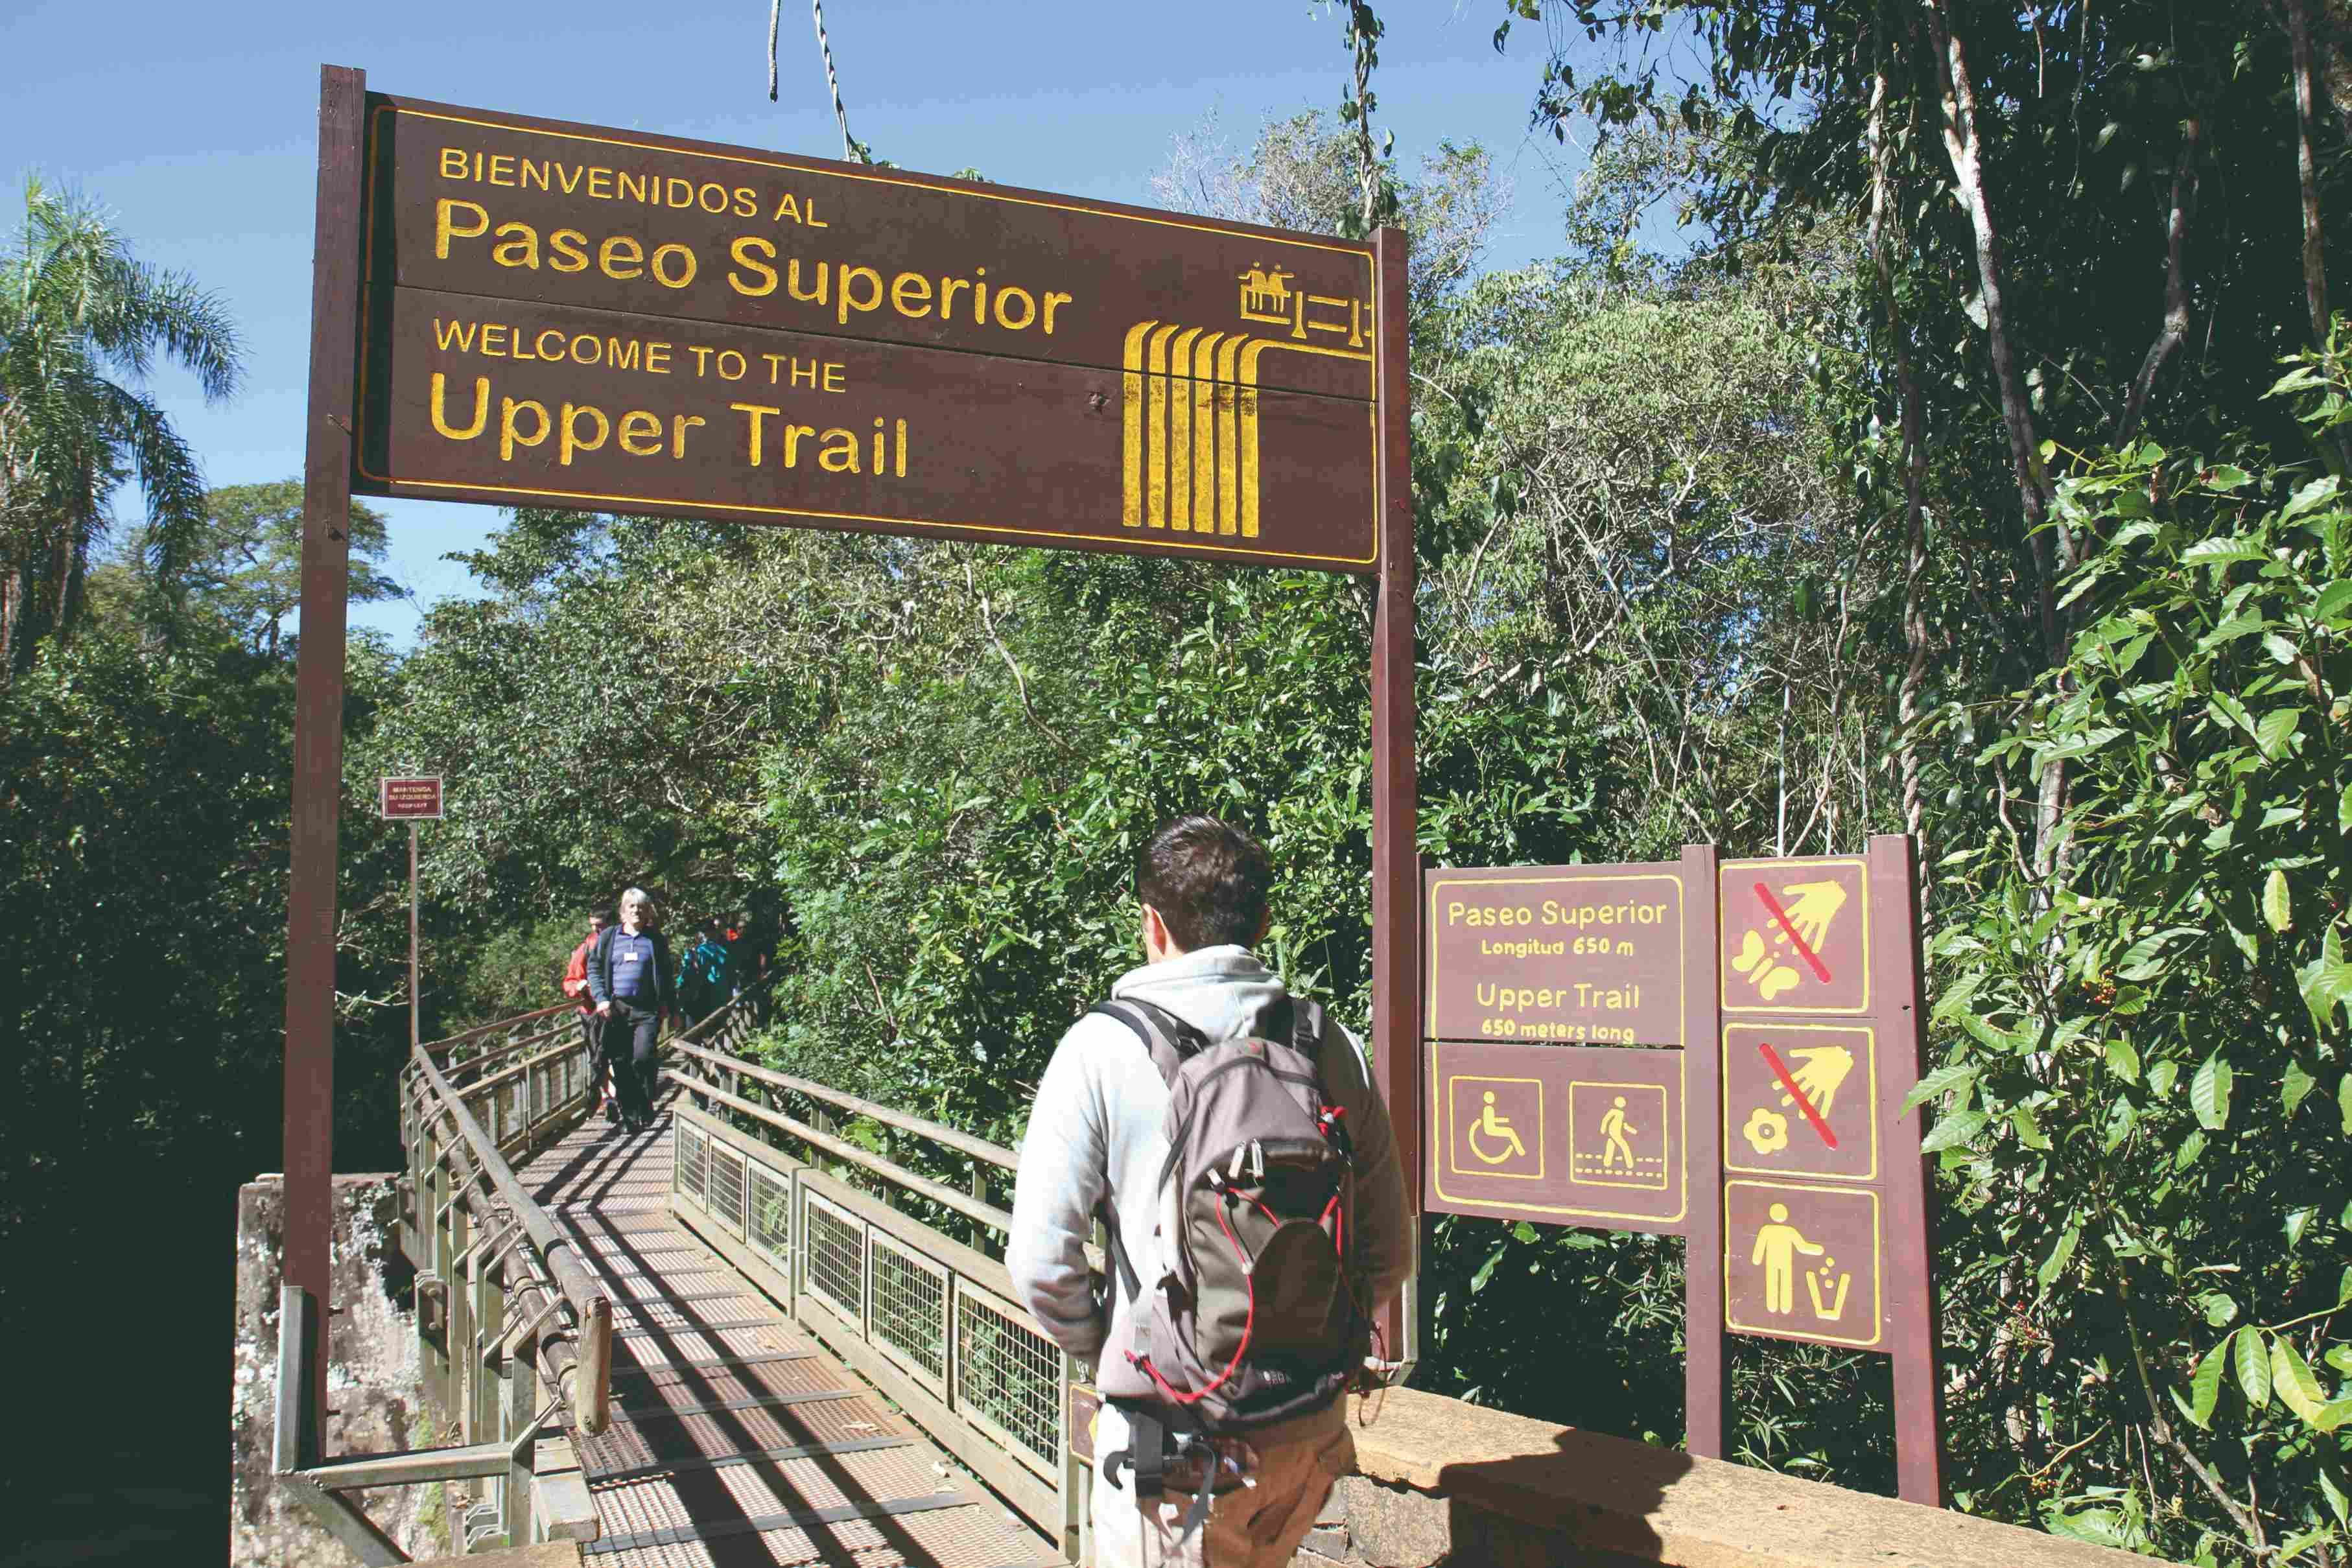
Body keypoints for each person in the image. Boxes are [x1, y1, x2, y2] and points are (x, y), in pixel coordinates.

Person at [1007, 815, 1411, 1568]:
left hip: (1173, 1442)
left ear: (1151, 924)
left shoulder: (1098, 1049)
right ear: (1261, 923)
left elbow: (1039, 1262)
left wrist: (1112, 1351)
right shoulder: (1326, 1042)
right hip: (1305, 1428)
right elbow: (1387, 1246)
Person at [587, 887, 676, 1134]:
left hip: (646, 1010)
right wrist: (601, 999)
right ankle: (630, 1116)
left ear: (648, 912)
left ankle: (645, 1102)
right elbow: (593, 969)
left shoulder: (655, 940)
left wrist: (671, 1006)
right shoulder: (609, 938)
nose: (636, 911)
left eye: (641, 907)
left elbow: (667, 975)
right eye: (631, 907)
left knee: (643, 1058)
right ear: (623, 912)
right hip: (615, 1010)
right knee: (621, 1063)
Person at [561, 907, 615, 1121]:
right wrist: (579, 986)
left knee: (619, 1055)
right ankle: (607, 1098)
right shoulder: (585, 948)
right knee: (599, 1058)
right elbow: (569, 981)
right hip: (592, 1011)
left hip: (619, 1009)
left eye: (600, 925)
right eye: (593, 925)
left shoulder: (621, 943)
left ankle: (615, 1097)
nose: (595, 929)